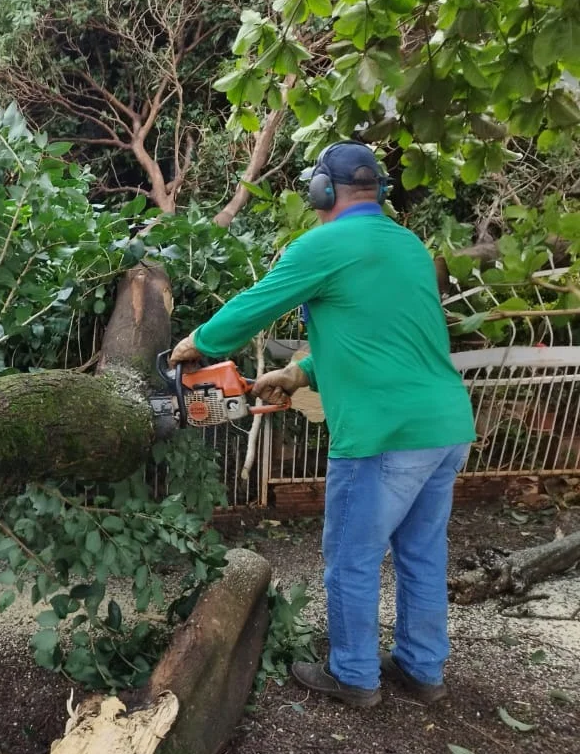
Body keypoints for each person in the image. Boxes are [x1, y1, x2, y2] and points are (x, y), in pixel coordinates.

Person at [169, 140, 475, 708]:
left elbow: (257, 303)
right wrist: (297, 373)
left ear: (322, 192)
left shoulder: (323, 244)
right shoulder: (408, 247)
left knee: (353, 558)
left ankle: (355, 676)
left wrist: (199, 343)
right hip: (445, 426)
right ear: (376, 190)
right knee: (423, 553)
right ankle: (421, 668)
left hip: (382, 435)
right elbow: (390, 337)